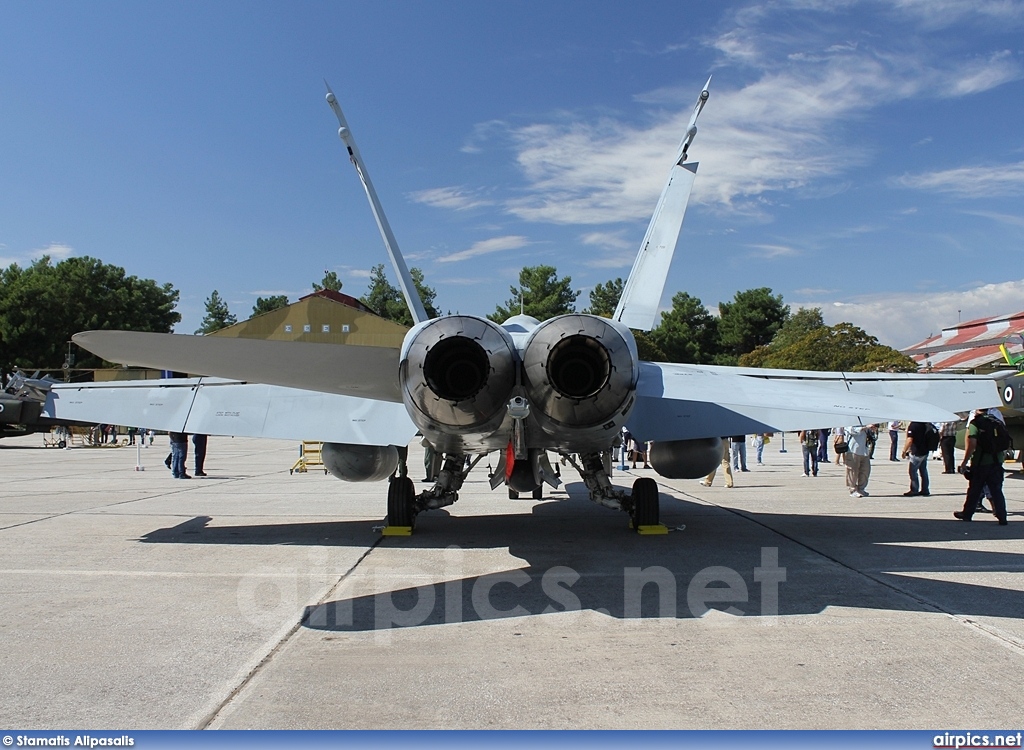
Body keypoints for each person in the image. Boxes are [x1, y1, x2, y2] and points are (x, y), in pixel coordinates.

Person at [954, 409, 1008, 525]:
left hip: (981, 463)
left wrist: (964, 462)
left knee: (974, 490)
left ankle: (967, 514)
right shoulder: (996, 421)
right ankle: (1002, 517)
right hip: (996, 462)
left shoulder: (975, 423)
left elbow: (972, 443)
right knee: (997, 491)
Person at [900, 422, 931, 497]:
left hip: (917, 452)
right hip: (925, 451)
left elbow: (910, 439)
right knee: (923, 471)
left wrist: (904, 450)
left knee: (912, 471)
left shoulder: (913, 425)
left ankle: (914, 489)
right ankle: (925, 489)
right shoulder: (925, 424)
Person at [845, 425, 872, 497]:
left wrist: (871, 428)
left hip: (864, 449)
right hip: (853, 449)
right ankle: (852, 489)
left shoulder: (865, 421)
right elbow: (851, 430)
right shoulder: (850, 419)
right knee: (852, 471)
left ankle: (861, 488)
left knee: (865, 470)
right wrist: (864, 428)